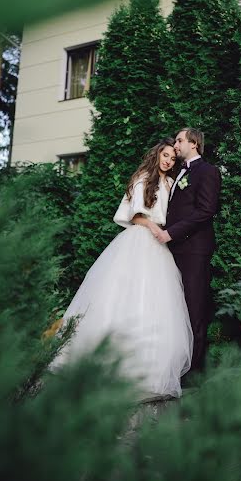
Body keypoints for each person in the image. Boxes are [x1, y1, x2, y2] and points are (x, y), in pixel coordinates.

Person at [50, 138, 193, 400]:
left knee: (155, 302)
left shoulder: (171, 183)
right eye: (165, 155)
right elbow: (134, 215)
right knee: (124, 294)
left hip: (160, 245)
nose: (168, 160)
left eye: (173, 158)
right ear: (156, 155)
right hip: (140, 238)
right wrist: (152, 227)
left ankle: (147, 370)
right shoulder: (142, 178)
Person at [153, 128, 221, 372]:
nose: (176, 144)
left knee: (194, 308)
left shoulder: (207, 171)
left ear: (194, 144)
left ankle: (193, 372)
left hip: (194, 250)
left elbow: (205, 211)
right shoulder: (177, 172)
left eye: (180, 140)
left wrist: (171, 233)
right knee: (174, 307)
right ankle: (176, 366)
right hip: (173, 250)